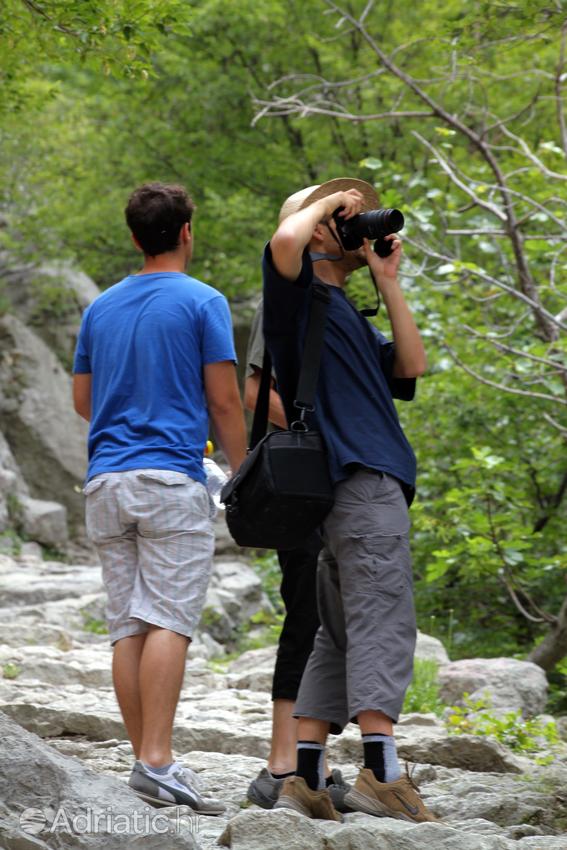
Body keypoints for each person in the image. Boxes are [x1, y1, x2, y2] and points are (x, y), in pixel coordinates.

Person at [262, 178, 436, 822]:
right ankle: (382, 774)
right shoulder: (295, 297)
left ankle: (306, 779)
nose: (358, 224)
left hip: (351, 490)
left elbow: (411, 366)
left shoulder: (346, 317)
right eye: (348, 217)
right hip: (361, 482)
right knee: (383, 619)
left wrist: (386, 278)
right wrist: (322, 214)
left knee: (336, 635)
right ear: (317, 230)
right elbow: (283, 239)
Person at [72, 182, 247, 814]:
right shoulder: (204, 301)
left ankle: (146, 760)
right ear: (187, 232)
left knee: (128, 624)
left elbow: (84, 403)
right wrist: (242, 468)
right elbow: (224, 399)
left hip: (105, 483)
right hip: (171, 479)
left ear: (133, 237)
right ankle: (157, 761)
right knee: (169, 618)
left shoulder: (101, 308)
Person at [243, 302, 350, 812]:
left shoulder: (347, 305)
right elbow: (255, 393)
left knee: (329, 616)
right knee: (307, 612)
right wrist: (332, 436)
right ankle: (283, 762)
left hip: (340, 482)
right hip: (301, 481)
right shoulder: (283, 302)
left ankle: (314, 761)